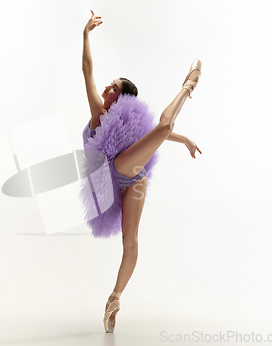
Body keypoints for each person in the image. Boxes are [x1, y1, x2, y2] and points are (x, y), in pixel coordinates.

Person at [82, 10, 202, 333]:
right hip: (113, 171)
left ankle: (115, 298)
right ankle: (188, 88)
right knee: (163, 129)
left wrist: (183, 140)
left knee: (132, 242)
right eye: (109, 85)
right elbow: (87, 70)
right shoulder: (99, 114)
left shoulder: (128, 122)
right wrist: (86, 35)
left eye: (112, 88)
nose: (105, 87)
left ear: (119, 99)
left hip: (133, 175)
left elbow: (152, 134)